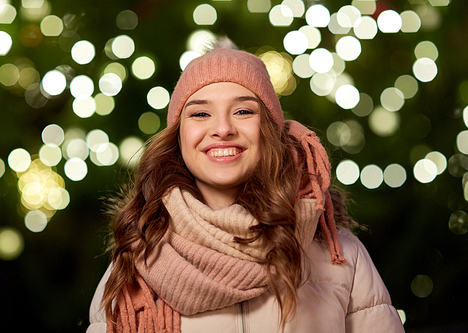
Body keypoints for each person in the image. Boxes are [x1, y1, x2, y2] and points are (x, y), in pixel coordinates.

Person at [86, 39, 405, 333]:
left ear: (270, 130)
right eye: (200, 113)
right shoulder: (137, 259)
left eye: (243, 111)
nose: (222, 129)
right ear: (178, 136)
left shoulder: (341, 257)